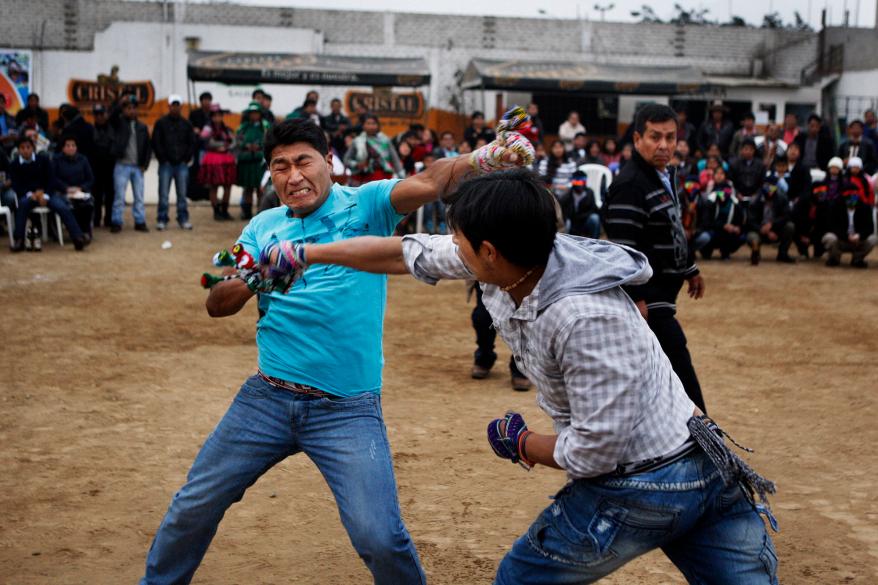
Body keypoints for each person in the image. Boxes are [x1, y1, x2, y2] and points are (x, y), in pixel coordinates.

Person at [282, 168, 778, 585]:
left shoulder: (583, 317)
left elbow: (595, 451)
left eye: (460, 240)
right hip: (691, 463)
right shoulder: (519, 257)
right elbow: (402, 253)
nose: (453, 247)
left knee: (520, 580)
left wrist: (520, 441)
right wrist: (305, 254)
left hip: (649, 481)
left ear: (490, 251)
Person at [138, 116, 534, 585]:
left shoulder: (366, 205)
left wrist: (482, 158)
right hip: (266, 399)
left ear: (329, 162)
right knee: (193, 504)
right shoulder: (264, 226)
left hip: (347, 409)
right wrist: (255, 276)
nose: (293, 176)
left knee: (379, 537)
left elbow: (430, 180)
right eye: (280, 167)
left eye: (303, 162)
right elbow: (216, 303)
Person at [603, 104, 707, 414]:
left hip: (661, 294)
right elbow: (623, 248)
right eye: (654, 137)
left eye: (670, 138)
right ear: (637, 139)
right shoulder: (631, 184)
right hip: (650, 300)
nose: (663, 145)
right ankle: (707, 448)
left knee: (658, 377)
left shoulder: (661, 177)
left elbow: (670, 228)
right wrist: (636, 298)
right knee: (681, 374)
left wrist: (689, 268)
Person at [9, 135, 89, 251]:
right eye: (22, 148)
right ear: (18, 150)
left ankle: (78, 238)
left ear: (33, 148)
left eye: (28, 147)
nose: (26, 150)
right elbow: (16, 185)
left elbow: (52, 180)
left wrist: (45, 194)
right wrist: (30, 194)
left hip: (47, 194)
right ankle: (19, 240)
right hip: (29, 195)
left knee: (62, 207)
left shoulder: (43, 160)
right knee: (22, 206)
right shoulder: (15, 165)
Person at [151, 94, 196, 230]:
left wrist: (186, 159)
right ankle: (162, 218)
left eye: (177, 105)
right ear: (169, 106)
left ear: (181, 107)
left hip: (181, 165)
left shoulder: (186, 124)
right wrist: (163, 159)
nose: (175, 107)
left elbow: (192, 143)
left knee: (182, 195)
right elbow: (156, 142)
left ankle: (183, 218)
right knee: (163, 194)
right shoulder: (161, 123)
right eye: (173, 105)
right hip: (166, 165)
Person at [110, 96, 151, 233]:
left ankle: (140, 221)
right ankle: (116, 221)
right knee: (119, 196)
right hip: (122, 165)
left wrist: (145, 164)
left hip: (137, 166)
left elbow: (147, 147)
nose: (131, 111)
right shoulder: (119, 124)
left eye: (134, 108)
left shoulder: (142, 127)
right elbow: (112, 116)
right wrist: (119, 103)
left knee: (139, 196)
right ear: (124, 110)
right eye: (128, 108)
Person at [822, 172, 877, 268]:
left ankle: (857, 259)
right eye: (849, 196)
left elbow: (869, 228)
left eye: (855, 195)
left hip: (858, 241)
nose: (852, 198)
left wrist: (859, 235)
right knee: (829, 237)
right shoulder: (835, 206)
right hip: (841, 240)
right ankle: (834, 258)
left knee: (873, 239)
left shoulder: (865, 207)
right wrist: (846, 236)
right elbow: (832, 226)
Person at [50, 134, 95, 238]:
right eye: (68, 145)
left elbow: (90, 179)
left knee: (88, 204)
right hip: (62, 191)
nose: (71, 148)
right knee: (68, 205)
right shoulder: (56, 160)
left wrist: (81, 188)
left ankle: (84, 231)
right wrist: (66, 188)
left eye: (73, 145)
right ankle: (74, 232)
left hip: (80, 191)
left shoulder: (83, 159)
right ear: (63, 148)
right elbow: (53, 178)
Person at [694, 168, 744, 260]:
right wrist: (723, 225)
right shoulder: (710, 201)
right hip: (711, 230)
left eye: (727, 191)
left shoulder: (735, 203)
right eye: (721, 191)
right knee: (706, 237)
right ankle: (705, 250)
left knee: (739, 236)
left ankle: (726, 252)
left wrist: (736, 227)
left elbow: (739, 220)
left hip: (727, 232)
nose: (724, 193)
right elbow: (706, 222)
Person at [199, 104, 237, 221]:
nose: (217, 118)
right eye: (215, 115)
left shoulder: (226, 129)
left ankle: (225, 210)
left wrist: (227, 146)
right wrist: (220, 146)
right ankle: (216, 211)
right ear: (212, 117)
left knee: (228, 186)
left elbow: (234, 141)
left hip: (225, 158)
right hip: (213, 159)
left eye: (219, 115)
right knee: (214, 186)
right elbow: (204, 141)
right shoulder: (208, 128)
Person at [746, 179, 796, 265]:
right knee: (752, 237)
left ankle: (783, 254)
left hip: (776, 230)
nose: (770, 190)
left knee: (790, 226)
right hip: (759, 230)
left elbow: (786, 216)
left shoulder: (782, 198)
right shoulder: (755, 200)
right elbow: (750, 221)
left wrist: (772, 224)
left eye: (772, 188)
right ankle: (756, 253)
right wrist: (762, 229)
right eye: (767, 187)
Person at [343, 115, 404, 185]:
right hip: (362, 178)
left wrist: (402, 176)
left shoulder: (385, 140)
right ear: (363, 126)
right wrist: (357, 164)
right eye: (368, 123)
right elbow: (346, 159)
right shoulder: (357, 141)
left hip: (382, 177)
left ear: (377, 125)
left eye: (373, 123)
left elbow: (395, 159)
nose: (371, 126)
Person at [235, 101, 270, 220]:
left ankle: (260, 212)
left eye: (256, 113)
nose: (254, 115)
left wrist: (259, 145)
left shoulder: (265, 126)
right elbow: (237, 141)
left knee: (260, 188)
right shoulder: (243, 127)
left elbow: (269, 140)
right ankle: (247, 212)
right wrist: (247, 145)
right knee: (247, 188)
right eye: (252, 113)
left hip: (260, 161)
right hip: (246, 161)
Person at [89, 104, 116, 228]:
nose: (99, 117)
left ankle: (108, 218)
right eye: (97, 114)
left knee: (110, 194)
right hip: (95, 167)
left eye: (101, 114)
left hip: (110, 166)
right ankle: (96, 218)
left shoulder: (113, 128)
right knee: (96, 195)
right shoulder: (90, 130)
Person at [562, 169, 600, 239]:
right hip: (572, 222)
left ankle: (594, 240)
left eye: (581, 182)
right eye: (577, 182)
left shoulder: (590, 193)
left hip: (585, 220)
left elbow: (593, 209)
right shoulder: (567, 196)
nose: (579, 185)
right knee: (567, 224)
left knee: (595, 218)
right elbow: (564, 213)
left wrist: (582, 216)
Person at [729, 138, 765, 205]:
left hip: (755, 195)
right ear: (741, 150)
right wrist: (737, 193)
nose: (748, 152)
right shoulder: (734, 164)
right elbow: (731, 182)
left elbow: (762, 183)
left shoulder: (760, 165)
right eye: (746, 149)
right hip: (739, 195)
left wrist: (756, 194)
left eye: (751, 149)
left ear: (754, 150)